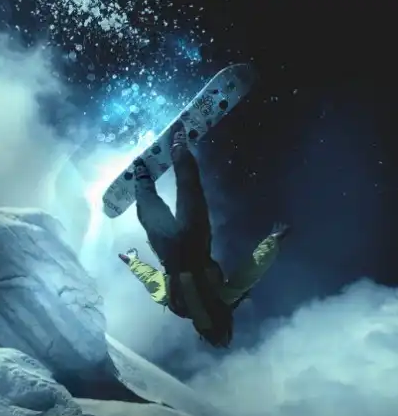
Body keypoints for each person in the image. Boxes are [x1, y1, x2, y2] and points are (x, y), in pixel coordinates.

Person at [118, 121, 290, 348]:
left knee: (177, 198)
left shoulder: (190, 305)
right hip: (185, 248)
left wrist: (133, 263)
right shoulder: (208, 303)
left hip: (184, 248)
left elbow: (249, 271)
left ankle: (163, 160)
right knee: (166, 204)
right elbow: (250, 271)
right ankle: (161, 162)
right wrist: (272, 242)